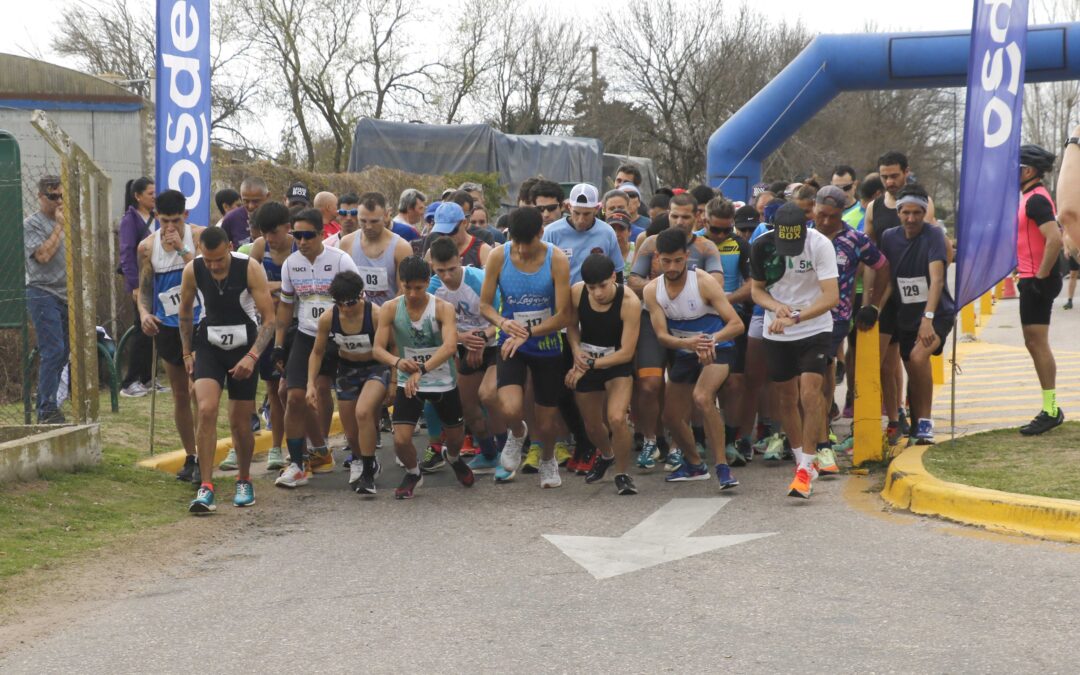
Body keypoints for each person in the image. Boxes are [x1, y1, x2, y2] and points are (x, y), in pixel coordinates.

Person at [178, 226, 275, 513]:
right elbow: (184, 312)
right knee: (206, 409)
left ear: (230, 247)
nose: (214, 266)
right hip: (209, 344)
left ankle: (244, 479)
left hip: (244, 348)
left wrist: (253, 356)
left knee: (239, 421)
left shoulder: (250, 268)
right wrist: (186, 351)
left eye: (219, 259)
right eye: (208, 260)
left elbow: (269, 320)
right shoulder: (193, 270)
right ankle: (206, 486)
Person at [750, 202, 839, 500]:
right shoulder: (762, 246)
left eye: (795, 242)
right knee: (786, 398)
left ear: (806, 229)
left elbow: (831, 296)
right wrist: (776, 308)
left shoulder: (820, 245)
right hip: (776, 329)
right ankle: (801, 457)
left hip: (814, 326)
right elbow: (756, 290)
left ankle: (805, 467)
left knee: (810, 393)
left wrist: (797, 317)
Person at [644, 228, 745, 489]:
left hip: (717, 348)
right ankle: (695, 464)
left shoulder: (702, 282)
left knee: (702, 397)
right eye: (666, 261)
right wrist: (688, 343)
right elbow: (662, 337)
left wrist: (711, 340)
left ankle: (722, 468)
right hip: (686, 351)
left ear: (687, 257)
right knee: (670, 417)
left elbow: (736, 324)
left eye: (678, 260)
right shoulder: (652, 290)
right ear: (657, 259)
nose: (673, 266)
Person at [629, 193, 724, 470]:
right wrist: (664, 285)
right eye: (674, 216)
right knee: (649, 383)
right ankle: (650, 439)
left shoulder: (705, 247)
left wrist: (685, 285)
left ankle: (677, 446)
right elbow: (633, 279)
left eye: (685, 217)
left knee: (686, 387)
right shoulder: (650, 243)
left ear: (697, 218)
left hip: (691, 322)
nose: (679, 221)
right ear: (667, 215)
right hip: (653, 317)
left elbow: (716, 283)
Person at [479, 207, 572, 487]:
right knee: (509, 408)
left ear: (541, 234)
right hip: (511, 342)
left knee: (546, 423)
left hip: (546, 344)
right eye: (515, 242)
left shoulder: (556, 259)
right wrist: (503, 324)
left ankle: (547, 460)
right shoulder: (499, 256)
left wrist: (530, 331)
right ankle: (517, 434)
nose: (520, 249)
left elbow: (564, 316)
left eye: (526, 242)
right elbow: (485, 305)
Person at [371, 256, 475, 499]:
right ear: (401, 283)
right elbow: (378, 349)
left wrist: (422, 369)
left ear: (428, 282)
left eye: (419, 288)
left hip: (442, 379)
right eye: (407, 287)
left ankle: (453, 457)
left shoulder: (442, 308)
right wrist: (398, 362)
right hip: (410, 381)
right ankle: (413, 472)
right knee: (400, 439)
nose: (413, 293)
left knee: (455, 436)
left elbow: (450, 347)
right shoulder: (390, 308)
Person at [273, 208, 359, 488]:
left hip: (341, 335)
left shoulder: (341, 259)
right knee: (293, 395)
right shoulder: (290, 264)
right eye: (296, 235)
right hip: (308, 335)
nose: (302, 240)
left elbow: (360, 299)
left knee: (348, 400)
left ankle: (360, 457)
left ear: (323, 234)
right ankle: (299, 463)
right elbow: (286, 306)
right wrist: (278, 344)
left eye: (308, 235)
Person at [812, 185, 890, 470]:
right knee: (818, 375)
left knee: (819, 374)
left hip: (836, 318)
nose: (825, 222)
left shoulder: (854, 240)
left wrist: (873, 303)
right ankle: (820, 421)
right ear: (814, 209)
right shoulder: (802, 236)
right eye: (821, 215)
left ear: (842, 213)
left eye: (833, 216)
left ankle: (822, 437)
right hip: (804, 317)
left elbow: (882, 265)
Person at [878, 184, 956, 446]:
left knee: (918, 356)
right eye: (906, 213)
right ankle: (915, 422)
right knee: (913, 367)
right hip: (905, 315)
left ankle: (925, 423)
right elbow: (888, 279)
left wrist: (928, 318)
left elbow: (936, 280)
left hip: (938, 314)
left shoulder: (933, 235)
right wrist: (875, 307)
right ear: (898, 212)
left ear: (925, 212)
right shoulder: (889, 237)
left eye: (917, 213)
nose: (911, 219)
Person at [136, 189, 204, 481]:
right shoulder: (147, 247)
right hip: (168, 326)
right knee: (179, 394)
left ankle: (205, 453)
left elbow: (210, 273)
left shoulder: (200, 236)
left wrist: (183, 250)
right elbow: (145, 289)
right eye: (164, 221)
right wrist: (144, 314)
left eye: (175, 220)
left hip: (200, 323)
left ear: (185, 216)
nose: (169, 228)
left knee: (196, 391)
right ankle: (191, 455)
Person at [865, 151, 932, 444]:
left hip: (915, 293)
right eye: (885, 176)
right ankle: (893, 419)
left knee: (912, 360)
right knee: (882, 362)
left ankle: (919, 418)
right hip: (885, 293)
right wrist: (870, 299)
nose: (890, 181)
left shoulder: (920, 204)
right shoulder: (874, 208)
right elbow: (869, 255)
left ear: (907, 172)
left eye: (894, 175)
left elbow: (929, 244)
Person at [306, 271, 390, 495]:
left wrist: (394, 383)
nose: (345, 308)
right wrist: (310, 384)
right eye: (339, 303)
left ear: (361, 295)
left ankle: (368, 476)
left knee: (363, 413)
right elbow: (317, 353)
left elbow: (393, 348)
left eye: (351, 303)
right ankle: (365, 461)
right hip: (347, 371)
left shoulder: (375, 314)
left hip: (375, 368)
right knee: (351, 434)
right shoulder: (328, 318)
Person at [565, 254, 642, 495]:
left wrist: (589, 364)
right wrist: (576, 351)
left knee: (617, 418)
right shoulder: (577, 292)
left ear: (613, 277)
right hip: (587, 360)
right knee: (592, 425)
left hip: (616, 362)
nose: (597, 293)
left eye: (602, 286)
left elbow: (627, 353)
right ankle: (606, 455)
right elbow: (571, 327)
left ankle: (622, 473)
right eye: (592, 288)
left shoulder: (629, 301)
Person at [428, 236, 505, 473]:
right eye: (441, 271)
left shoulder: (479, 280)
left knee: (489, 395)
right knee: (465, 404)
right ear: (433, 266)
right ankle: (489, 453)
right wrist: (463, 340)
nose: (447, 276)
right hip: (465, 346)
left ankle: (506, 454)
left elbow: (504, 318)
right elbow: (434, 326)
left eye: (452, 269)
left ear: (460, 260)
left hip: (495, 345)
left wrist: (482, 338)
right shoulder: (433, 287)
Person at [239, 202, 296, 471]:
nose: (269, 239)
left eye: (274, 233)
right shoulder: (260, 247)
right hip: (270, 326)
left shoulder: (299, 246)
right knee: (273, 389)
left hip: (298, 327)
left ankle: (301, 444)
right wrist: (281, 288)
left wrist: (275, 288)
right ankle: (276, 446)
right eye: (264, 233)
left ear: (287, 228)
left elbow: (296, 290)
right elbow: (253, 286)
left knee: (295, 390)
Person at [1014, 144, 1066, 434]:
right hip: (1031, 275)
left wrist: (1040, 276)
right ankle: (1050, 407)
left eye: (1016, 169)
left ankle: (1051, 409)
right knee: (1033, 341)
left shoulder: (1036, 200)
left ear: (1029, 171)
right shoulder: (1028, 197)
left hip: (1038, 278)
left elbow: (1054, 239)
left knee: (1037, 342)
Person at [701, 197, 754, 467]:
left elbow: (752, 284)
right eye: (716, 230)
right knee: (695, 383)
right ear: (704, 221)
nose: (721, 236)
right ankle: (699, 439)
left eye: (727, 230)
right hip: (697, 321)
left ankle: (732, 439)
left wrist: (725, 301)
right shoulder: (694, 242)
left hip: (732, 319)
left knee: (734, 383)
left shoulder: (741, 245)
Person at [24, 175, 70, 424]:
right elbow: (42, 256)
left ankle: (50, 399)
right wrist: (59, 227)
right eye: (53, 197)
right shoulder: (32, 224)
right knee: (53, 350)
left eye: (61, 196)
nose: (58, 201)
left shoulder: (69, 221)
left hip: (66, 293)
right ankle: (46, 409)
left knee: (64, 353)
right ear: (41, 197)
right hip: (42, 292)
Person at [118, 177, 157, 398]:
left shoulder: (155, 217)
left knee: (153, 331)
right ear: (138, 196)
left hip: (155, 281)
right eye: (150, 193)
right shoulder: (130, 221)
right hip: (140, 283)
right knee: (141, 330)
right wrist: (134, 286)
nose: (154, 197)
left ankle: (146, 378)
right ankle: (130, 381)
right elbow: (126, 254)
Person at [339, 192, 412, 307]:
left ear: (386, 215)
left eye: (374, 221)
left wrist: (383, 317)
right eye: (363, 221)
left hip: (390, 317)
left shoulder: (401, 248)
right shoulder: (347, 243)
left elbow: (404, 291)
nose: (368, 226)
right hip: (356, 317)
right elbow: (342, 286)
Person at [420, 202, 491, 266]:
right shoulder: (432, 253)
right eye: (441, 233)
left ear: (464, 223)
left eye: (452, 231)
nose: (446, 236)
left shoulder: (483, 251)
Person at [220, 177, 269, 250]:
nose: (251, 206)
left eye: (256, 201)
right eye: (246, 201)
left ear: (267, 196)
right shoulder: (230, 219)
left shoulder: (278, 217)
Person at [830, 165, 863, 230]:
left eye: (847, 188)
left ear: (855, 184)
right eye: (837, 188)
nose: (842, 193)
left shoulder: (863, 211)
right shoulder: (826, 212)